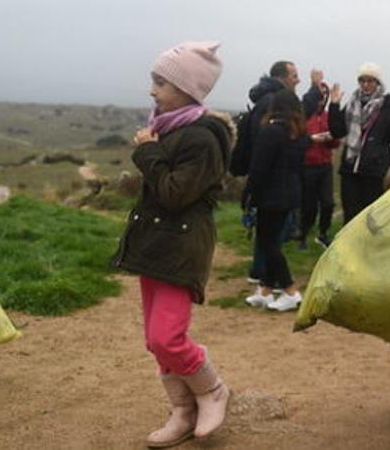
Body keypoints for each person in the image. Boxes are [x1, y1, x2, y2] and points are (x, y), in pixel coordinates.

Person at [112, 41, 235, 447]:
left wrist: (146, 152)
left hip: (181, 247)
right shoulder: (172, 127)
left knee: (168, 337)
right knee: (154, 340)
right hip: (157, 245)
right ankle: (182, 412)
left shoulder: (201, 139)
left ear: (187, 89)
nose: (152, 90)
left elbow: (173, 193)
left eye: (160, 82)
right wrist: (152, 149)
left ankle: (212, 389)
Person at [244, 89, 310, 311]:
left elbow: (259, 167)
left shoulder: (270, 132)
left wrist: (249, 194)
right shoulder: (299, 135)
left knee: (268, 244)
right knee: (272, 241)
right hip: (290, 193)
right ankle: (266, 289)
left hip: (270, 195)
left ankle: (291, 290)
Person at [241, 61, 300, 281]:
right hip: (274, 184)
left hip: (271, 183)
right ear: (282, 78)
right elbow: (263, 152)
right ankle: (270, 278)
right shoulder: (275, 111)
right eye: (294, 75)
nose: (297, 80)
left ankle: (267, 280)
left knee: (268, 235)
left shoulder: (267, 105)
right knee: (270, 237)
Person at [336, 62, 390, 223]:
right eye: (362, 81)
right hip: (350, 168)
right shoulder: (352, 103)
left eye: (370, 81)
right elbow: (338, 131)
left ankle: (369, 246)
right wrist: (334, 105)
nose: (365, 85)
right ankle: (349, 247)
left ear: (378, 83)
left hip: (374, 169)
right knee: (350, 214)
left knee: (371, 214)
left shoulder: (388, 104)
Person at [297, 69, 346, 248]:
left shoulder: (328, 116)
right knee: (308, 205)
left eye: (325, 95)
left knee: (328, 203)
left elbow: (337, 140)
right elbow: (296, 138)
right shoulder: (303, 115)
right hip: (307, 166)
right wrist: (311, 140)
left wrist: (331, 139)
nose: (322, 98)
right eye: (320, 94)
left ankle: (323, 233)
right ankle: (302, 234)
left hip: (325, 165)